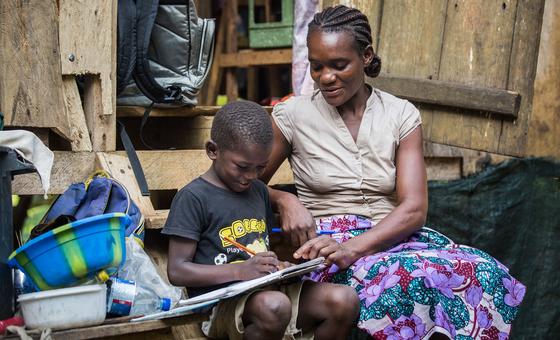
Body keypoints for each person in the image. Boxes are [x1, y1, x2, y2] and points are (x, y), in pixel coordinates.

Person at [260, 5, 526, 339]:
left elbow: (413, 209)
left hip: (393, 238)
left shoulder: (401, 115)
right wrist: (283, 199)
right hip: (328, 247)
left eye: (339, 65)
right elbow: (243, 183)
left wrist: (355, 248)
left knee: (481, 272)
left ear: (366, 57)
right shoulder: (291, 116)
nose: (326, 77)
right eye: (317, 66)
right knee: (406, 280)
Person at [163, 101, 360, 340]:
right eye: (242, 166)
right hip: (222, 305)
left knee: (344, 300)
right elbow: (177, 270)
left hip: (268, 291)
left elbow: (262, 248)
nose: (251, 177)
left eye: (260, 168)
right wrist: (240, 272)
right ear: (213, 150)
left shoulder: (258, 192)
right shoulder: (193, 197)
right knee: (275, 306)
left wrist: (281, 268)